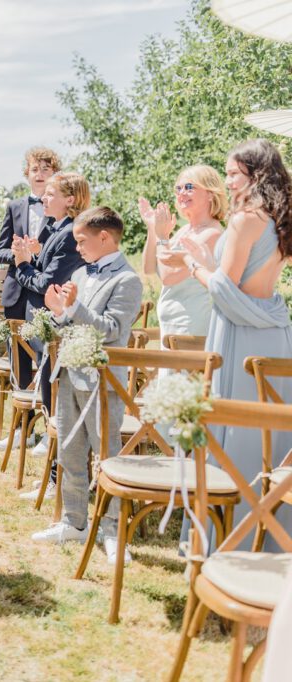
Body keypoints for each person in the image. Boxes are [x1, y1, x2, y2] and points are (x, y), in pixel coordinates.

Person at [164, 139, 292, 548]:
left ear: (255, 175)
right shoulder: (282, 219)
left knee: (231, 433)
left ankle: (223, 541)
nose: (230, 181)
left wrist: (193, 264)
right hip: (273, 333)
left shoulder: (245, 219)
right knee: (271, 434)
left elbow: (224, 287)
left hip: (238, 332)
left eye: (234, 173)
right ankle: (268, 536)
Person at [33, 207, 143, 567]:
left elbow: (111, 329)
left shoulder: (127, 280)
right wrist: (60, 313)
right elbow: (74, 324)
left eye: (82, 240)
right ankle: (73, 521)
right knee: (69, 451)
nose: (77, 248)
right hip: (69, 373)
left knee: (106, 457)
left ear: (105, 237)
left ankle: (112, 531)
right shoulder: (81, 271)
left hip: (102, 381)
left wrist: (74, 306)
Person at [0, 172, 89, 461]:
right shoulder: (55, 226)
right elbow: (42, 267)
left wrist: (24, 263)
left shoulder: (69, 234)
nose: (44, 199)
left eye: (51, 194)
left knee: (52, 383)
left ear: (70, 200)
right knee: (46, 380)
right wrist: (31, 256)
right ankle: (47, 445)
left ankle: (54, 452)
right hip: (42, 317)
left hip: (56, 320)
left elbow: (46, 283)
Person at [0, 147, 60, 449]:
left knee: (47, 360)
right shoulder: (15, 206)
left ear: (54, 173)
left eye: (46, 168)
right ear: (27, 173)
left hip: (45, 294)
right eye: (35, 168)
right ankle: (22, 430)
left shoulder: (59, 209)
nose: (40, 173)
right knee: (18, 362)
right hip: (16, 294)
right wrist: (19, 253)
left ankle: (49, 429)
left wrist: (36, 254)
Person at [139, 165, 226, 337]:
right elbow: (149, 268)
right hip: (170, 323)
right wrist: (152, 229)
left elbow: (169, 277)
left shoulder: (212, 234)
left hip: (192, 323)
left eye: (189, 187)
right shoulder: (183, 231)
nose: (181, 193)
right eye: (178, 188)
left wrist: (163, 236)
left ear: (210, 193)